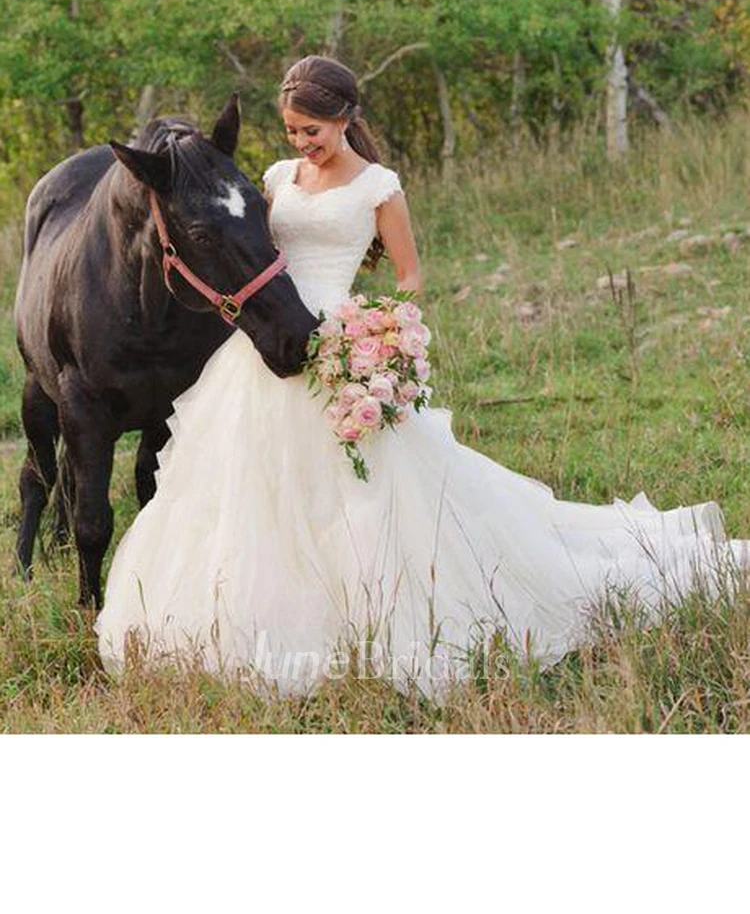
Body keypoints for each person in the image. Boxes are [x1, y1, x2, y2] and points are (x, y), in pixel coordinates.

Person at [96, 55, 749, 699]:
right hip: (273, 343)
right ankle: (242, 611)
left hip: (343, 345)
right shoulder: (277, 176)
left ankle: (371, 612)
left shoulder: (379, 186)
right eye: (293, 132)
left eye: (313, 132)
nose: (302, 144)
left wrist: (375, 334)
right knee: (251, 484)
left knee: (367, 494)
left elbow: (409, 278)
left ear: (346, 119)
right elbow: (251, 252)